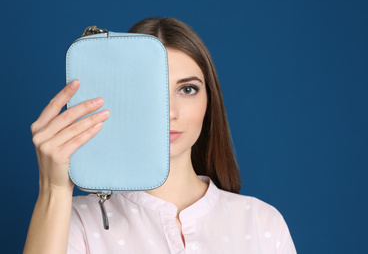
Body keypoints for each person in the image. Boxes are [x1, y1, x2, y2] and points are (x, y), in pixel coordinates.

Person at [24, 17, 296, 254]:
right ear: (122, 99)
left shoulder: (262, 222)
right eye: (148, 90)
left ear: (209, 102)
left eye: (187, 89)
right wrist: (54, 190)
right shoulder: (73, 221)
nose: (170, 112)